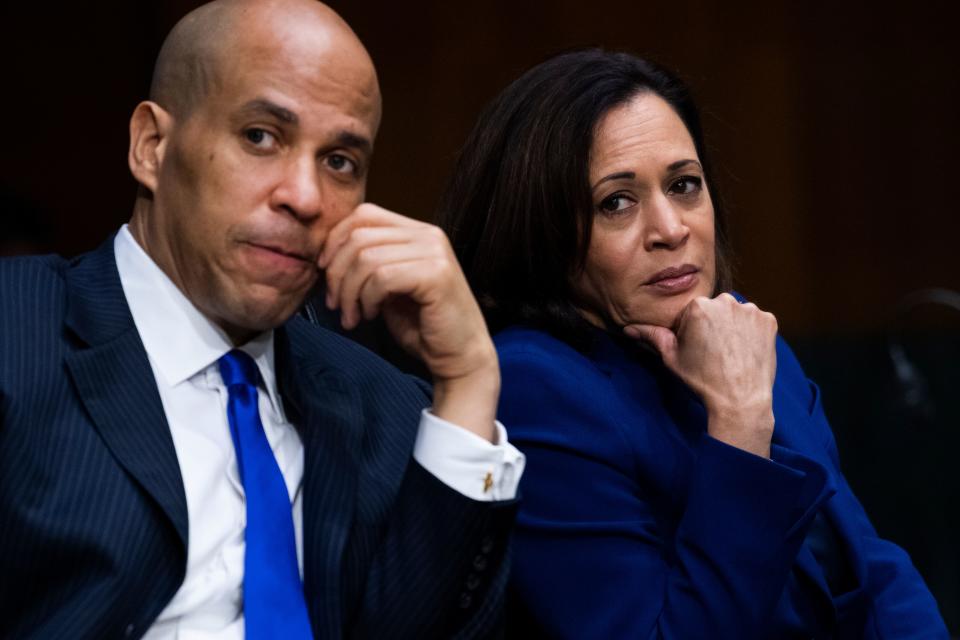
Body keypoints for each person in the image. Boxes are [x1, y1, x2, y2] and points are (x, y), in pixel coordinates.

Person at [0, 1, 525, 638]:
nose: (304, 197)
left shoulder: (383, 411)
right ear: (152, 147)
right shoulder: (17, 332)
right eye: (260, 137)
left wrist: (468, 378)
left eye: (339, 162)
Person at [438, 50, 947, 638]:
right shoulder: (533, 387)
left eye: (684, 185)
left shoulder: (741, 335)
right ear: (541, 231)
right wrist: (738, 421)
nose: (671, 229)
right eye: (616, 203)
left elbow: (870, 567)